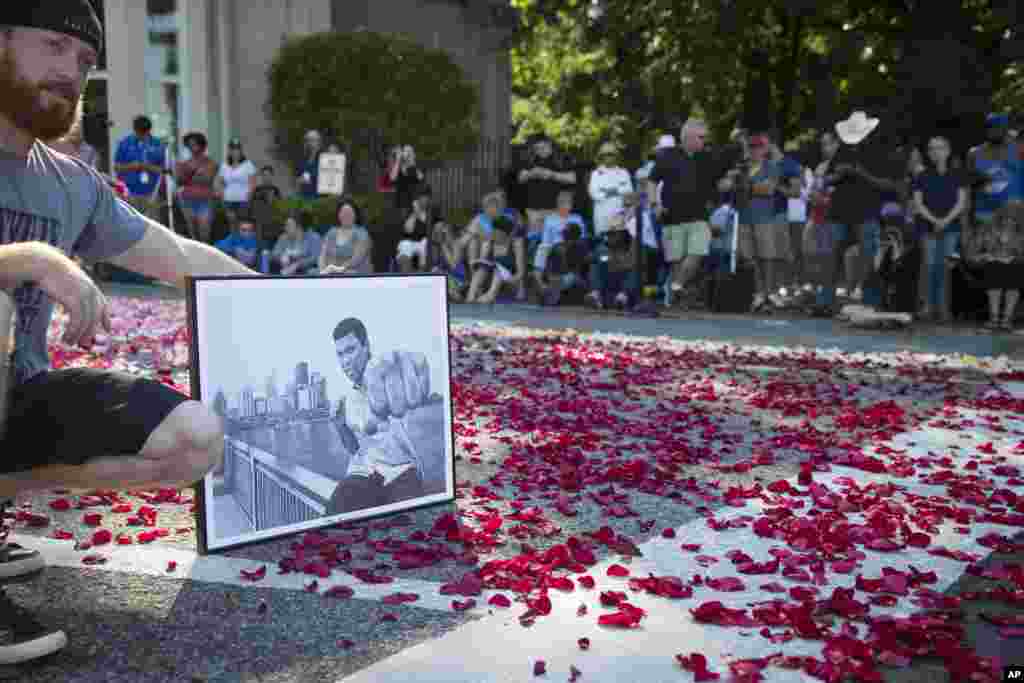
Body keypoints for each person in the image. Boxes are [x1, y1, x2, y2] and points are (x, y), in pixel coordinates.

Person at [0, 3, 257, 663]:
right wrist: (31, 260)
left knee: (193, 439)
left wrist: (285, 300)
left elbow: (181, 257)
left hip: (14, 396)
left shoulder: (70, 185)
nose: (71, 73)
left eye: (85, 61)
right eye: (54, 46)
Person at [325, 318, 445, 514]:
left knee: (412, 522)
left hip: (401, 471)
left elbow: (398, 365)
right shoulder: (346, 398)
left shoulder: (383, 373)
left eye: (351, 350)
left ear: (366, 347)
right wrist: (340, 426)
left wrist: (408, 367)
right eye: (340, 354)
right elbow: (354, 448)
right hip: (364, 474)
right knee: (333, 516)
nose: (345, 360)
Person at [811, 111, 906, 317]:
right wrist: (837, 176)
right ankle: (824, 302)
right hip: (839, 210)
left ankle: (868, 301)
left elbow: (890, 184)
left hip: (867, 211)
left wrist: (860, 173)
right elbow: (827, 179)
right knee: (830, 256)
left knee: (869, 256)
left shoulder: (880, 152)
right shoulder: (842, 151)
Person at [647, 118, 742, 307]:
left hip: (699, 216)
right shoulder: (667, 155)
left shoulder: (707, 157)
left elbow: (720, 181)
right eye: (701, 137)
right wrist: (654, 204)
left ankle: (676, 286)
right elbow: (652, 181)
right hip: (671, 216)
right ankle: (675, 299)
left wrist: (728, 182)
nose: (704, 141)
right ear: (688, 137)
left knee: (697, 252)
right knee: (676, 261)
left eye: (705, 137)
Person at [913, 136, 968, 322]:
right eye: (932, 148)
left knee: (945, 268)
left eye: (940, 148)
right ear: (928, 153)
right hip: (927, 227)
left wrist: (945, 220)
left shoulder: (957, 174)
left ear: (948, 150)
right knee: (928, 267)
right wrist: (934, 220)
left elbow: (961, 202)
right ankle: (927, 308)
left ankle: (944, 310)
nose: (936, 152)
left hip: (950, 227)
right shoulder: (921, 176)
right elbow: (918, 203)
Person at [963, 200, 1024, 331]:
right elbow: (970, 255)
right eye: (1007, 217)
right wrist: (985, 256)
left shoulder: (1021, 233)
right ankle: (994, 318)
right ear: (1000, 217)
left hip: (1015, 266)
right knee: (995, 267)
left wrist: (1014, 258)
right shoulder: (986, 229)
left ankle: (1007, 319)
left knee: (1015, 269)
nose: (1009, 221)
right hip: (989, 266)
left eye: (1013, 218)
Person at [465, 212, 527, 304]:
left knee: (498, 270)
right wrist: (476, 262)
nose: (494, 235)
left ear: (506, 234)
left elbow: (521, 273)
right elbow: (484, 261)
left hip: (512, 280)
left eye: (498, 234)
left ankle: (490, 295)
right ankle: (470, 297)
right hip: (492, 277)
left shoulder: (516, 243)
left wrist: (510, 280)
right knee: (483, 268)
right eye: (494, 231)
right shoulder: (489, 242)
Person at [114, 115, 166, 220]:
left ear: (149, 130)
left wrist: (146, 166)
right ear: (134, 129)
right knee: (130, 222)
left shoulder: (158, 145)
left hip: (151, 193)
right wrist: (131, 166)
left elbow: (164, 170)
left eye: (144, 133)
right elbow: (116, 167)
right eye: (139, 132)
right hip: (128, 192)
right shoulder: (124, 143)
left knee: (152, 224)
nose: (141, 135)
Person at [175, 131, 218, 243]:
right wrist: (194, 173)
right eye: (189, 145)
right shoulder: (185, 163)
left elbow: (207, 179)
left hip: (204, 200)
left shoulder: (210, 162)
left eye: (194, 144)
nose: (191, 147)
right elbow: (179, 180)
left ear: (202, 145)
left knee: (204, 233)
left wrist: (188, 173)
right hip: (187, 199)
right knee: (191, 234)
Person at [589, 142, 634, 237]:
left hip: (620, 215)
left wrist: (606, 191)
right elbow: (594, 194)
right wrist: (618, 190)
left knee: (620, 245)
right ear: (601, 157)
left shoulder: (624, 173)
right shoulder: (595, 174)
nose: (608, 157)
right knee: (602, 245)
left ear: (616, 156)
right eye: (605, 155)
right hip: (602, 216)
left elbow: (628, 191)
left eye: (610, 154)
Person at [319, 197, 373, 274]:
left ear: (356, 215)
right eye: (343, 212)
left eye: (349, 212)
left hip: (355, 275)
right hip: (331, 272)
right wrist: (322, 270)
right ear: (338, 214)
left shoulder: (362, 233)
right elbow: (322, 255)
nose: (346, 215)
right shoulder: (331, 232)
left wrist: (338, 269)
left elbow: (357, 259)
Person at [398, 185, 443, 273]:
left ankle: (422, 275)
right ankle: (407, 277)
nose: (424, 199)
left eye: (426, 197)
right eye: (421, 197)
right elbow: (408, 230)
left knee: (425, 243)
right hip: (409, 241)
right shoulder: (409, 209)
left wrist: (419, 212)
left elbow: (433, 227)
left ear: (430, 198)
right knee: (405, 246)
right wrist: (414, 213)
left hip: (426, 241)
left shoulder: (434, 210)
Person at [215, 138, 258, 224]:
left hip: (243, 201)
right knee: (232, 225)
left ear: (241, 151)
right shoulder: (224, 165)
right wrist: (221, 194)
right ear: (229, 151)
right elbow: (219, 182)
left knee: (242, 224)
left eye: (237, 149)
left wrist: (249, 197)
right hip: (228, 200)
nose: (235, 152)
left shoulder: (248, 165)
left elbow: (253, 183)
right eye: (233, 149)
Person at [391, 145, 424, 211]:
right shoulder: (397, 166)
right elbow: (393, 178)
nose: (407, 153)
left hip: (416, 204)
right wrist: (398, 160)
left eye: (410, 151)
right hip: (401, 204)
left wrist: (412, 163)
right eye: (405, 151)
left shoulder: (416, 166)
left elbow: (421, 178)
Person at [297, 129, 323, 200]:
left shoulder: (324, 159)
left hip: (320, 199)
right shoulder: (303, 160)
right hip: (305, 197)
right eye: (307, 140)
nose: (309, 143)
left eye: (312, 140)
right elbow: (301, 176)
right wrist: (300, 180)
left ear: (319, 142)